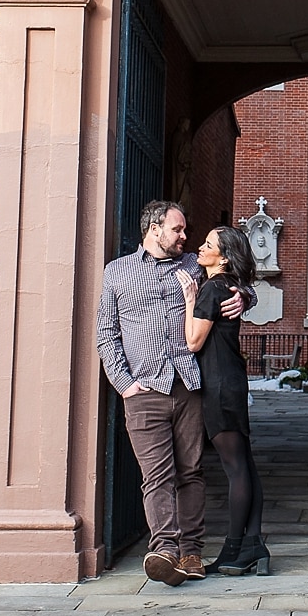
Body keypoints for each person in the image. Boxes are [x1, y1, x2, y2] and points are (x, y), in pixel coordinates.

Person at [96, 200, 250, 586]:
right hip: (144, 390)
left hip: (189, 387)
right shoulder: (117, 273)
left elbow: (233, 274)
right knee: (156, 475)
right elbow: (107, 334)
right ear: (154, 228)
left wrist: (245, 298)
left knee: (191, 471)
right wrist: (125, 384)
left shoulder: (193, 266)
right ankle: (164, 549)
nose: (185, 237)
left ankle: (192, 553)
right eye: (178, 230)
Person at [184, 225, 270, 576]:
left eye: (208, 245)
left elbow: (193, 342)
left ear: (224, 256)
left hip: (219, 387)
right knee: (244, 465)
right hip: (231, 381)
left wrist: (191, 300)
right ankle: (253, 544)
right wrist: (246, 294)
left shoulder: (209, 290)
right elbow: (241, 289)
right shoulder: (226, 286)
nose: (200, 248)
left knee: (236, 469)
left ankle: (236, 549)